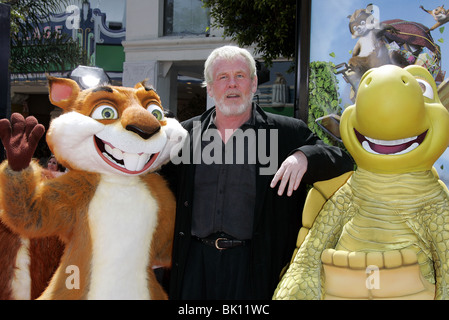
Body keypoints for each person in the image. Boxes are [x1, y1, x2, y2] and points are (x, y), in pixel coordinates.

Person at [162, 45, 354, 300]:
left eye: (240, 76)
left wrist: (304, 157)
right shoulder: (185, 136)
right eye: (223, 77)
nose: (233, 85)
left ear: (253, 84)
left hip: (256, 267)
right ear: (209, 87)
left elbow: (341, 159)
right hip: (194, 266)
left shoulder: (284, 132)